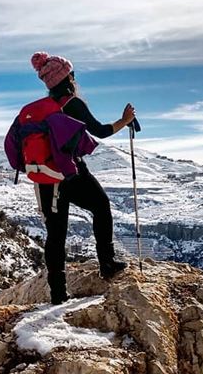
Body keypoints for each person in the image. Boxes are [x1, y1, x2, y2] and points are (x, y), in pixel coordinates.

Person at [30, 51, 136, 304]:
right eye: (73, 74)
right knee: (101, 206)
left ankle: (58, 294)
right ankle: (107, 264)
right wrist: (125, 120)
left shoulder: (42, 109)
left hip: (44, 178)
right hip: (71, 173)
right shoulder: (71, 103)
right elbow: (99, 130)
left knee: (56, 234)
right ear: (68, 78)